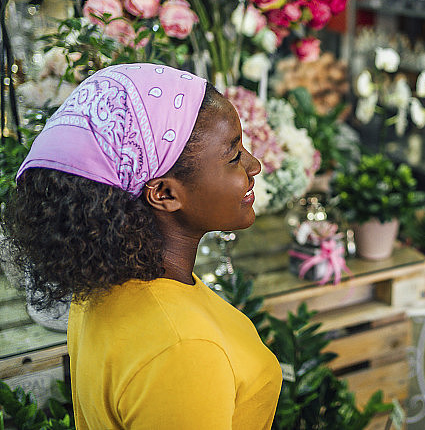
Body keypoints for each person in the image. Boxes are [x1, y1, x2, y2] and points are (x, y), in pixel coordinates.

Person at [2, 63, 282, 429]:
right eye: (233, 156)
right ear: (164, 193)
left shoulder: (106, 287)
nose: (254, 164)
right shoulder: (183, 350)